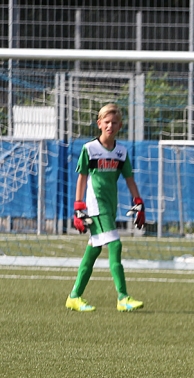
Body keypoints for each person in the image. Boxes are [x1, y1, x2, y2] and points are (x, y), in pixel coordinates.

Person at [65, 102, 146, 313]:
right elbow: (82, 177)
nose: (110, 125)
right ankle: (123, 297)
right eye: (107, 122)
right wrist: (78, 206)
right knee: (115, 245)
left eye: (115, 122)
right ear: (99, 123)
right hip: (95, 206)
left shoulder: (121, 152)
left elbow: (129, 178)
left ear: (120, 126)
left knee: (94, 250)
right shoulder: (90, 149)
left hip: (110, 206)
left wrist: (138, 201)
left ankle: (74, 297)